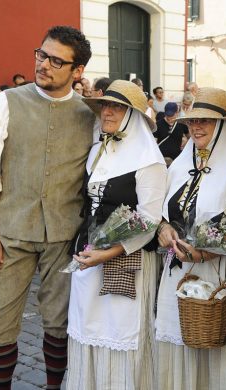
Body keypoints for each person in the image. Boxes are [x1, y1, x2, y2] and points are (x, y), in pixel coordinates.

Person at [0, 25, 96, 390]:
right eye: (41, 54)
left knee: (59, 322)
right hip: (11, 233)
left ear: (77, 71)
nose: (44, 65)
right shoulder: (8, 102)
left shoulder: (89, 113)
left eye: (57, 60)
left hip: (63, 235)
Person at [66, 80, 166, 389]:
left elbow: (149, 221)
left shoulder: (149, 161)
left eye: (117, 107)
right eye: (105, 106)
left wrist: (106, 254)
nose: (107, 112)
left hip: (126, 262)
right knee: (89, 330)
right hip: (89, 257)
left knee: (120, 334)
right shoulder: (98, 150)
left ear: (132, 115)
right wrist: (87, 251)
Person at [155, 87, 226, 390]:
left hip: (215, 275)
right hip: (177, 273)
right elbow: (162, 212)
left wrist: (200, 255)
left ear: (224, 126)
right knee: (179, 347)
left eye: (206, 121)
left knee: (211, 352)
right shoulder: (182, 164)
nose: (196, 127)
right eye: (192, 121)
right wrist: (163, 230)